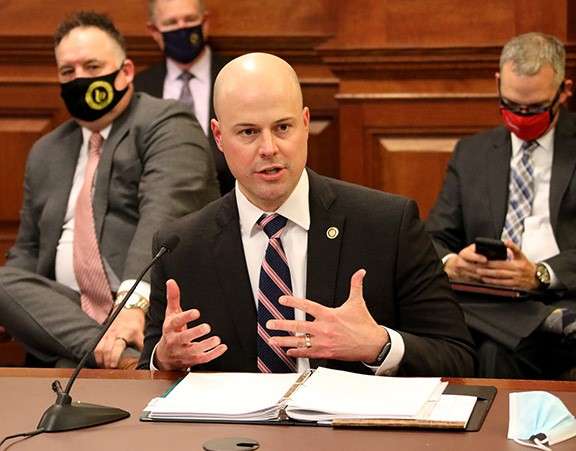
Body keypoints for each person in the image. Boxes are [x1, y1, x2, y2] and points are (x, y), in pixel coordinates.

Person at [139, 52, 475, 377]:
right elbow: (151, 366)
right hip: (231, 434)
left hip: (347, 431)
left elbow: (458, 357)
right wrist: (165, 360)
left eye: (283, 127)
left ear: (305, 123)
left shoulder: (387, 225)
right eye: (249, 132)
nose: (269, 148)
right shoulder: (180, 246)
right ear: (218, 136)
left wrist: (379, 346)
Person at [0, 11, 220, 369]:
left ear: (126, 72)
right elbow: (27, 249)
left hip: (148, 314)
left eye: (92, 66)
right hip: (66, 311)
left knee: (64, 366)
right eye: (68, 72)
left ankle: (103, 353)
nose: (80, 80)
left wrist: (133, 304)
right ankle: (118, 359)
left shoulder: (166, 123)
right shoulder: (47, 151)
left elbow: (163, 216)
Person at [426, 32, 576, 379]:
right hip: (489, 296)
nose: (521, 117)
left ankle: (545, 317)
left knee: (493, 345)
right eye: (510, 105)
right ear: (498, 84)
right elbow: (433, 237)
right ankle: (547, 324)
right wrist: (452, 264)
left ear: (563, 91)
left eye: (535, 108)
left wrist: (540, 274)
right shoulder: (472, 153)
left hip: (561, 293)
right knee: (479, 331)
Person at [134, 0, 234, 195]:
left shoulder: (236, 76)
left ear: (205, 22)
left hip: (227, 202)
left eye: (189, 20)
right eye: (171, 23)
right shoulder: (139, 88)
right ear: (154, 31)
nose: (182, 29)